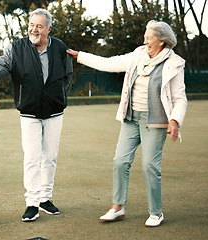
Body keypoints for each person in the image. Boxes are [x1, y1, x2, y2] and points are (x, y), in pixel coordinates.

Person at [66, 20, 187, 227]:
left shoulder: (174, 63)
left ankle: (156, 213)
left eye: (149, 37)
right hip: (131, 118)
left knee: (149, 165)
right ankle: (118, 207)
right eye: (145, 36)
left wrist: (175, 120)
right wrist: (80, 56)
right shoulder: (137, 55)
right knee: (120, 161)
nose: (145, 40)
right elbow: (109, 63)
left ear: (161, 41)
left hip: (155, 122)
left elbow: (179, 98)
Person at [0, 8, 73, 222]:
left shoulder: (60, 48)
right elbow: (0, 66)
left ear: (49, 28)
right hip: (29, 113)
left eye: (39, 26)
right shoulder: (16, 48)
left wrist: (58, 95)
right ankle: (32, 203)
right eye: (31, 25)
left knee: (50, 158)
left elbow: (67, 75)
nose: (34, 29)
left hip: (54, 112)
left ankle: (45, 199)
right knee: (32, 158)